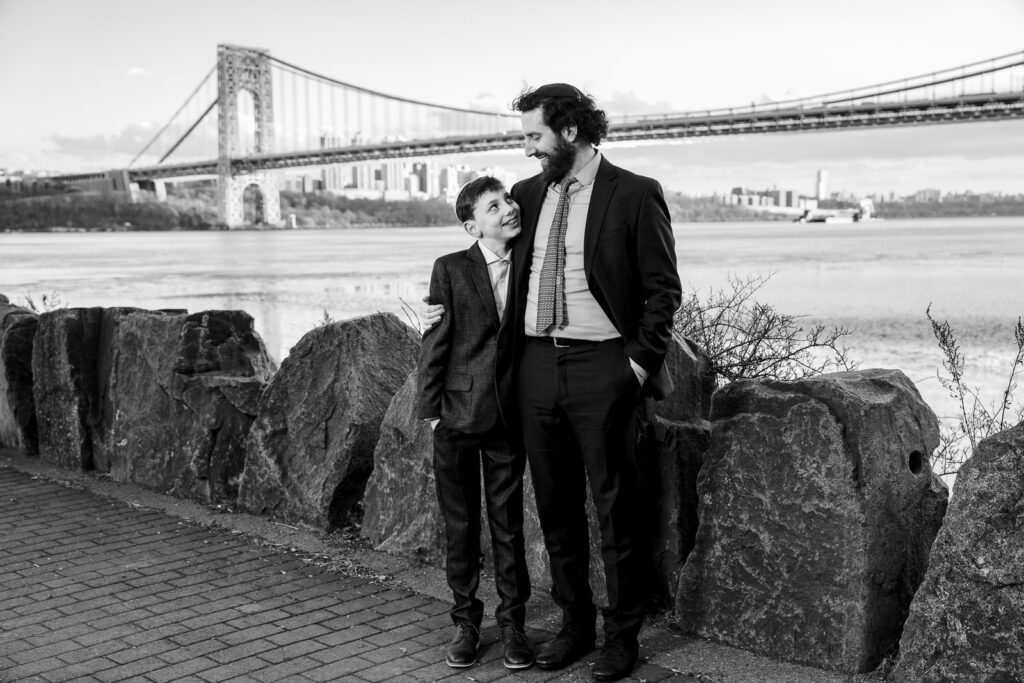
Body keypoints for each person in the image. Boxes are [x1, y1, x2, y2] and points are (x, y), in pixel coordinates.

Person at [424, 83, 681, 682]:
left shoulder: (637, 194)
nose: (528, 149)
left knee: (617, 505)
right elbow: (481, 258)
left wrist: (636, 366)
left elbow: (663, 291)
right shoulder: (525, 196)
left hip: (604, 367)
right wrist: (440, 308)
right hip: (533, 370)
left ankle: (622, 638)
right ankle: (575, 625)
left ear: (569, 131)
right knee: (556, 505)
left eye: (533, 136)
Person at [416, 176, 533, 671]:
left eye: (508, 199)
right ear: (472, 226)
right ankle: (466, 622)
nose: (508, 208)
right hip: (459, 415)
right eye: (494, 206)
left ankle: (513, 625)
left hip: (510, 415)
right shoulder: (451, 268)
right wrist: (429, 411)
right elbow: (436, 342)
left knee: (509, 526)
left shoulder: (534, 261)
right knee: (460, 526)